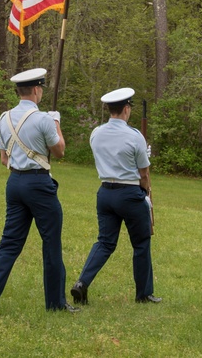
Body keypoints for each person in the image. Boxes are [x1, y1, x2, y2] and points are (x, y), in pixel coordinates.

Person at [0, 68, 79, 316]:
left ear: (19, 91)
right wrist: (57, 123)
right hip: (38, 184)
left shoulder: (3, 118)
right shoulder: (43, 120)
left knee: (9, 243)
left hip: (14, 182)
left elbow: (3, 159)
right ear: (37, 90)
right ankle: (56, 303)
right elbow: (60, 151)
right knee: (51, 243)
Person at [70, 88, 162, 306]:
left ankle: (82, 283)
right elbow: (144, 173)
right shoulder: (135, 136)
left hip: (105, 193)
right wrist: (147, 192)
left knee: (104, 242)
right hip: (129, 193)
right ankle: (143, 294)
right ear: (127, 109)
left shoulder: (96, 133)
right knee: (140, 243)